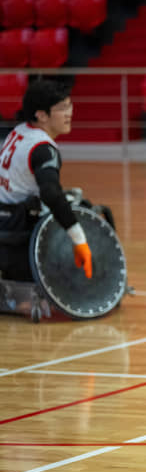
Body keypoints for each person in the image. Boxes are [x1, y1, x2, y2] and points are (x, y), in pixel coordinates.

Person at [0, 80, 92, 308]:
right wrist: (79, 238)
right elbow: (50, 193)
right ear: (41, 115)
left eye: (70, 106)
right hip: (16, 231)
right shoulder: (43, 148)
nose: (69, 113)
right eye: (62, 108)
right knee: (85, 211)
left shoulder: (19, 131)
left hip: (5, 218)